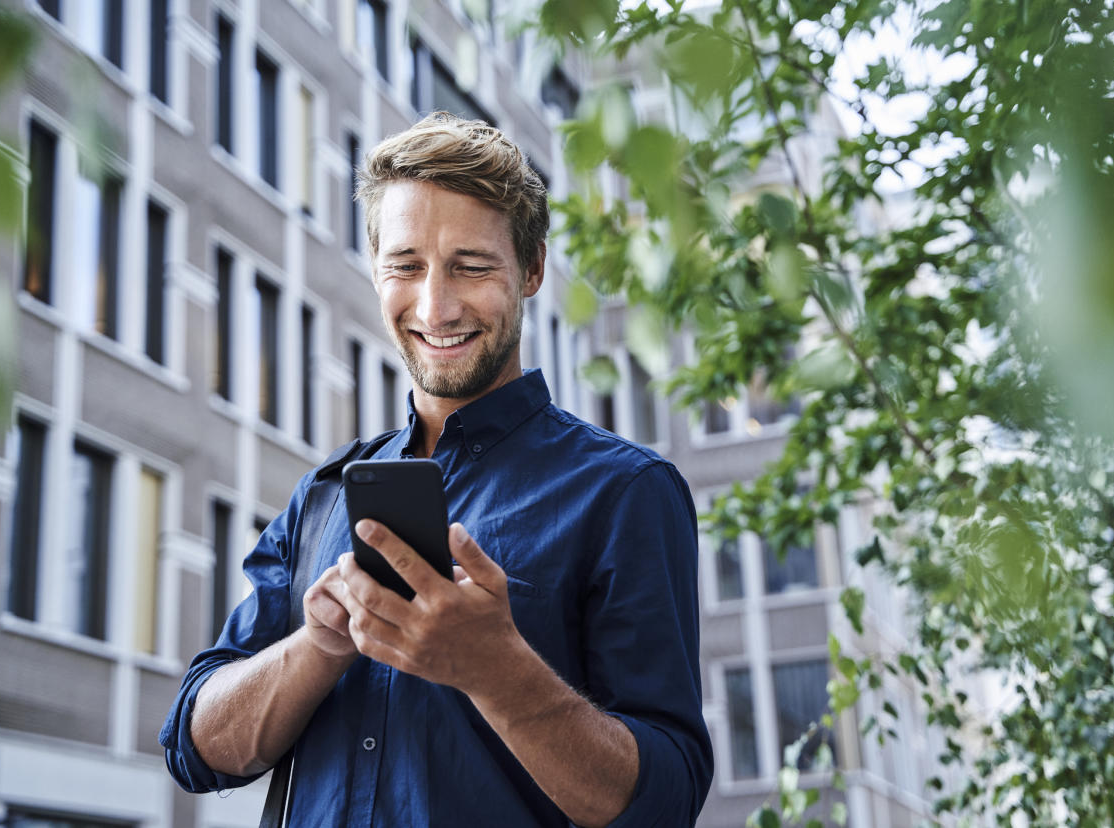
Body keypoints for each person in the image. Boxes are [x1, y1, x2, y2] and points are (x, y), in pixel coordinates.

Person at [159, 112, 713, 827]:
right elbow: (196, 749)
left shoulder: (623, 491)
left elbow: (663, 803)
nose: (435, 305)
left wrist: (495, 669)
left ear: (532, 268)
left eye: (471, 266)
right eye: (406, 265)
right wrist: (319, 646)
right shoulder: (324, 497)